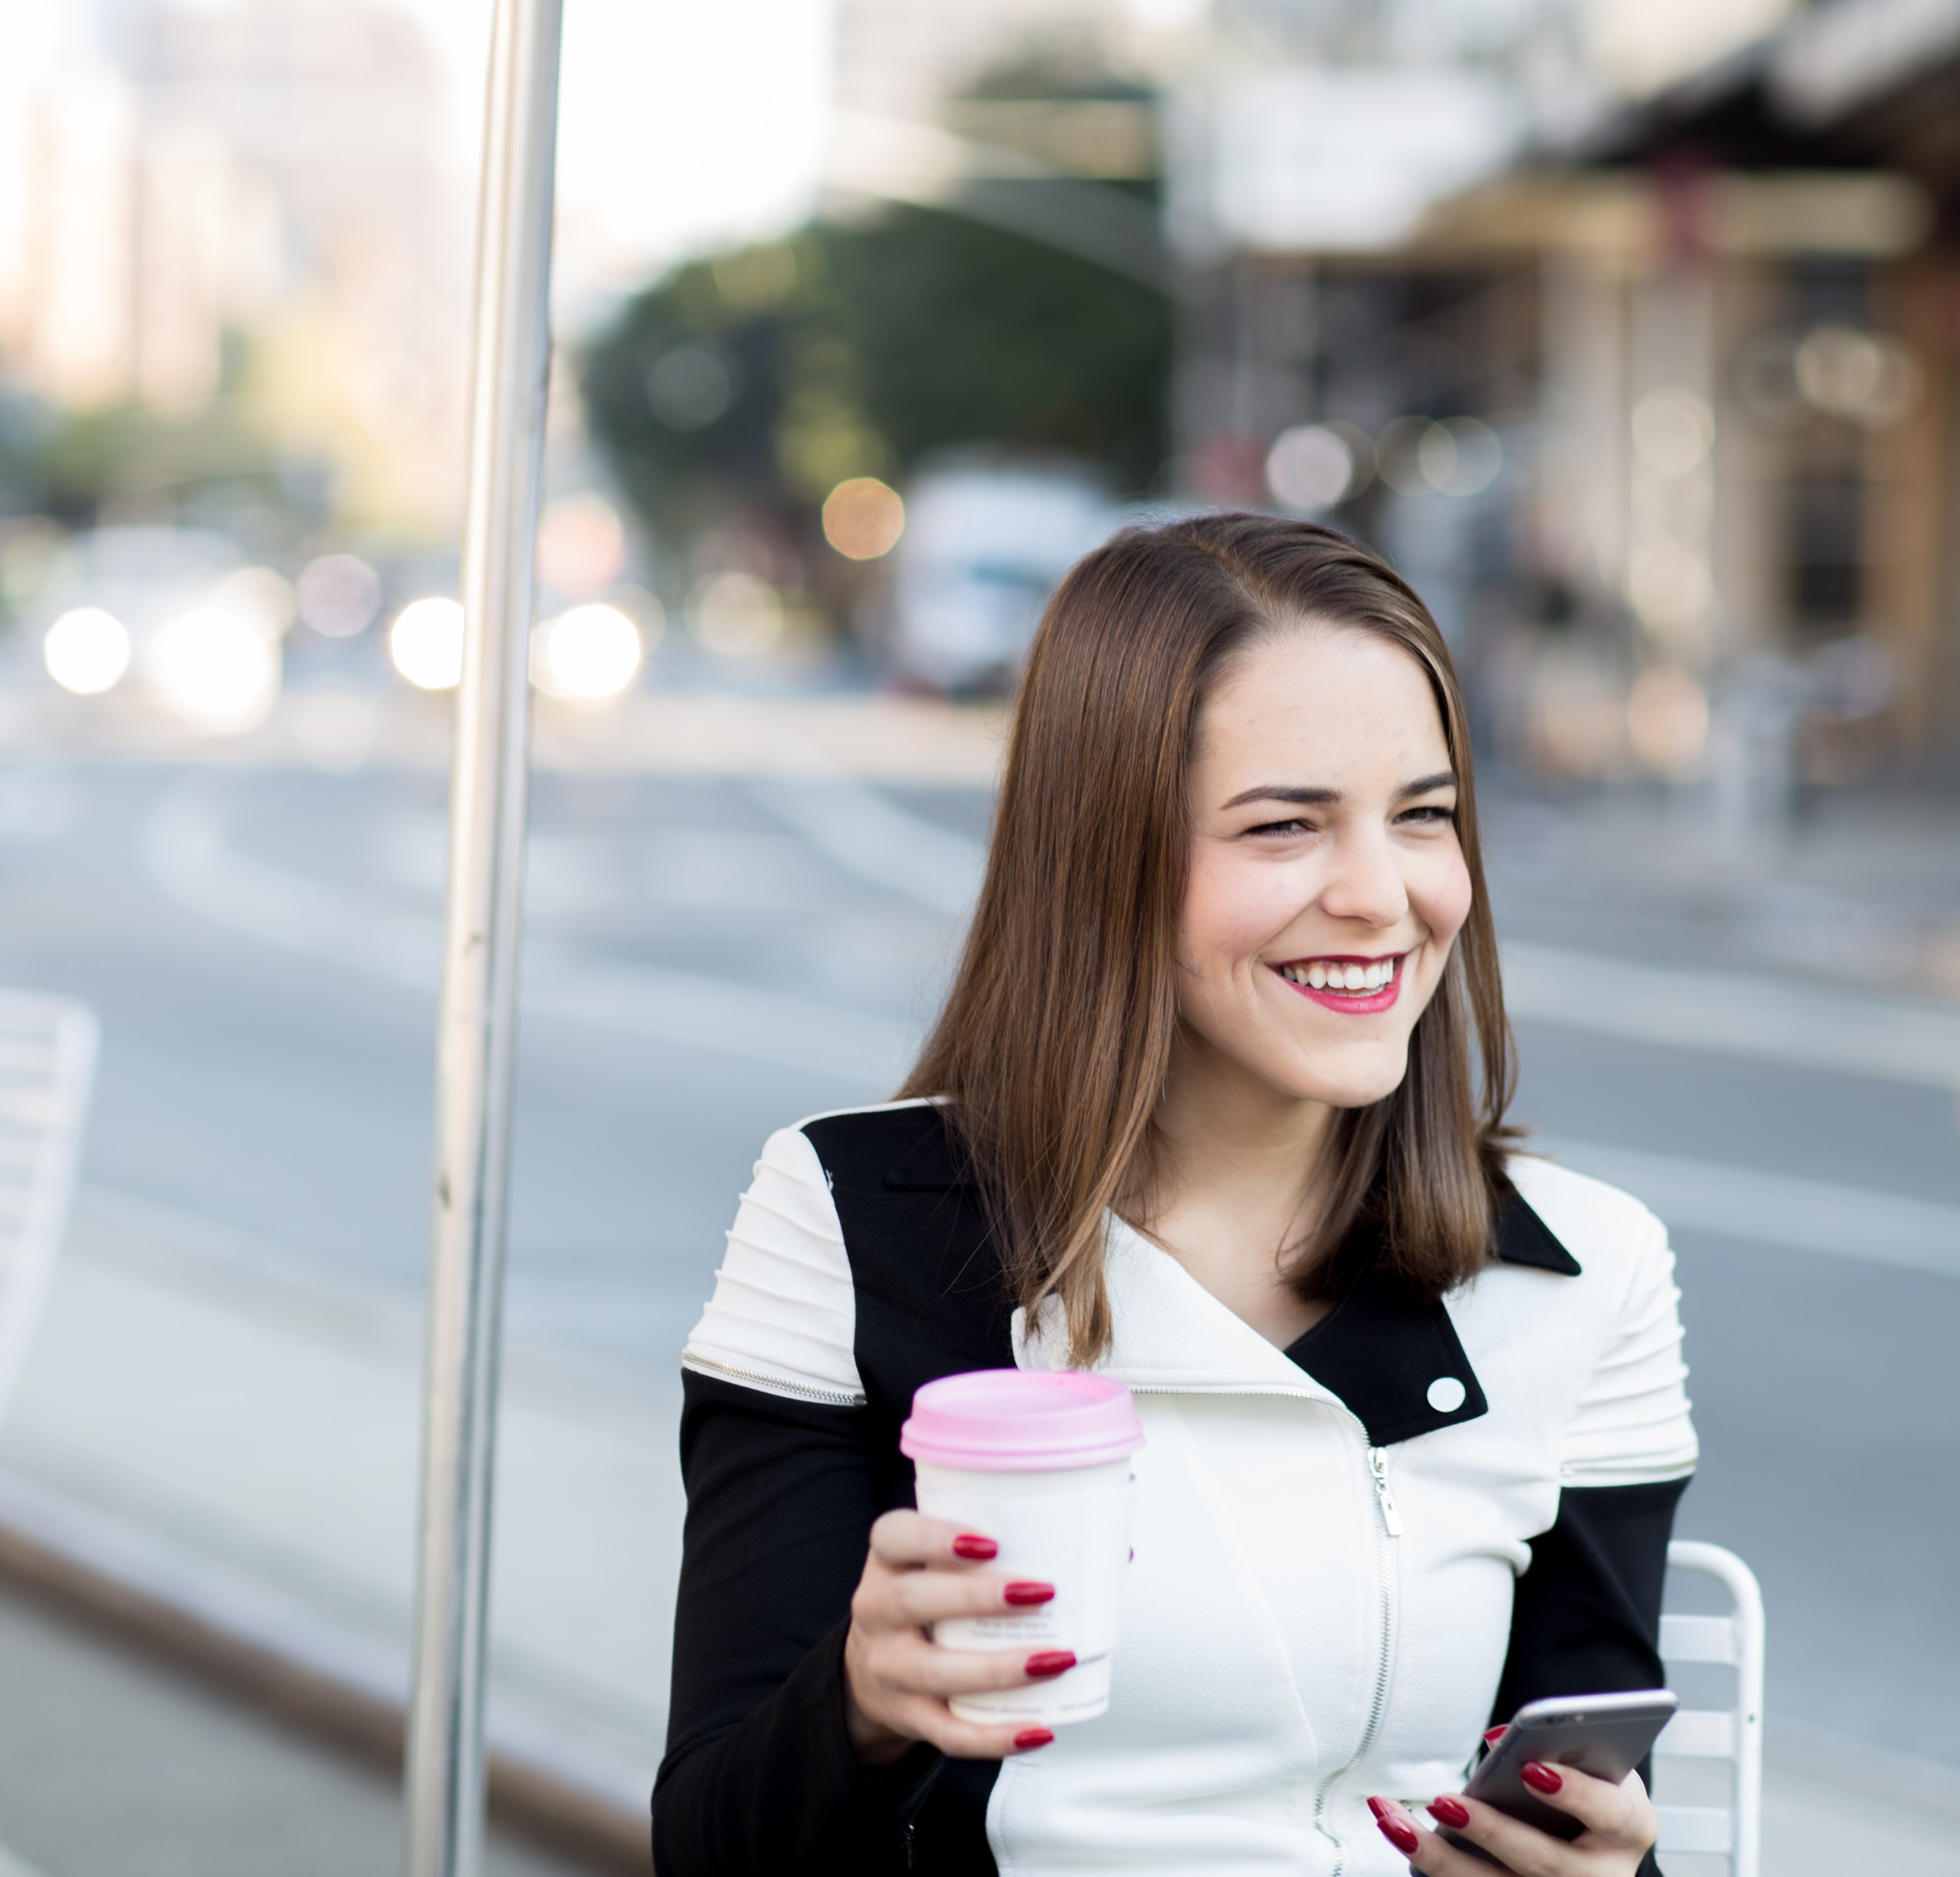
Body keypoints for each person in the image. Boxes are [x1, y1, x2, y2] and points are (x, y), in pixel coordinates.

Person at [655, 513, 1698, 1876]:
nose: (1384, 896)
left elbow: (1583, 1803)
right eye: (1285, 826)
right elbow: (715, 1852)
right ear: (1108, 854)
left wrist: (1600, 1871)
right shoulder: (859, 1218)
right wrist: (857, 1706)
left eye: (1424, 815)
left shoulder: (1582, 1269)